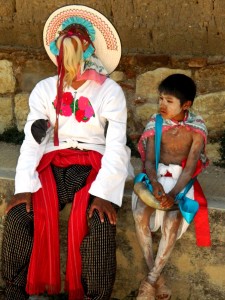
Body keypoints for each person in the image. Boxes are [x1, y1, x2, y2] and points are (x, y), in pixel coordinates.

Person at [1, 5, 131, 300]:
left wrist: (106, 194)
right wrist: (24, 188)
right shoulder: (45, 90)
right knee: (21, 214)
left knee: (98, 220)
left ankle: (93, 297)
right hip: (53, 163)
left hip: (94, 165)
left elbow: (116, 143)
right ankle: (15, 293)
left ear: (88, 51)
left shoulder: (109, 91)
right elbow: (33, 139)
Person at [132, 73, 211, 300]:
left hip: (181, 182)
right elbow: (147, 161)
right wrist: (155, 184)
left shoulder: (196, 128)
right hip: (155, 176)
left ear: (186, 105)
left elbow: (191, 167)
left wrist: (174, 194)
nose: (162, 105)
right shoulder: (155, 123)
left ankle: (149, 281)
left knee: (172, 220)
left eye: (169, 101)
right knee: (139, 213)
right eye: (160, 99)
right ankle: (156, 277)